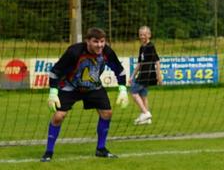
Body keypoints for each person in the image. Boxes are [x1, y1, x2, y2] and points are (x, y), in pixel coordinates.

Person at [41, 26, 128, 161]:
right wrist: (53, 91)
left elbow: (120, 70)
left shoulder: (107, 52)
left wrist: (122, 89)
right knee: (58, 116)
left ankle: (101, 149)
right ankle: (48, 152)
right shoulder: (74, 52)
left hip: (93, 87)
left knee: (107, 113)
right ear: (87, 41)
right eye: (95, 41)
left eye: (102, 41)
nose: (100, 45)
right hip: (71, 86)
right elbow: (55, 71)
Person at [129, 25, 159, 125]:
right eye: (140, 35)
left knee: (133, 92)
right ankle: (147, 119)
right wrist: (132, 76)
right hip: (142, 74)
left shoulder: (151, 46)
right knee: (143, 96)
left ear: (149, 35)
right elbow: (139, 63)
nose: (142, 36)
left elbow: (157, 61)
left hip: (147, 75)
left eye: (144, 34)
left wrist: (159, 76)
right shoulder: (142, 47)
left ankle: (145, 113)